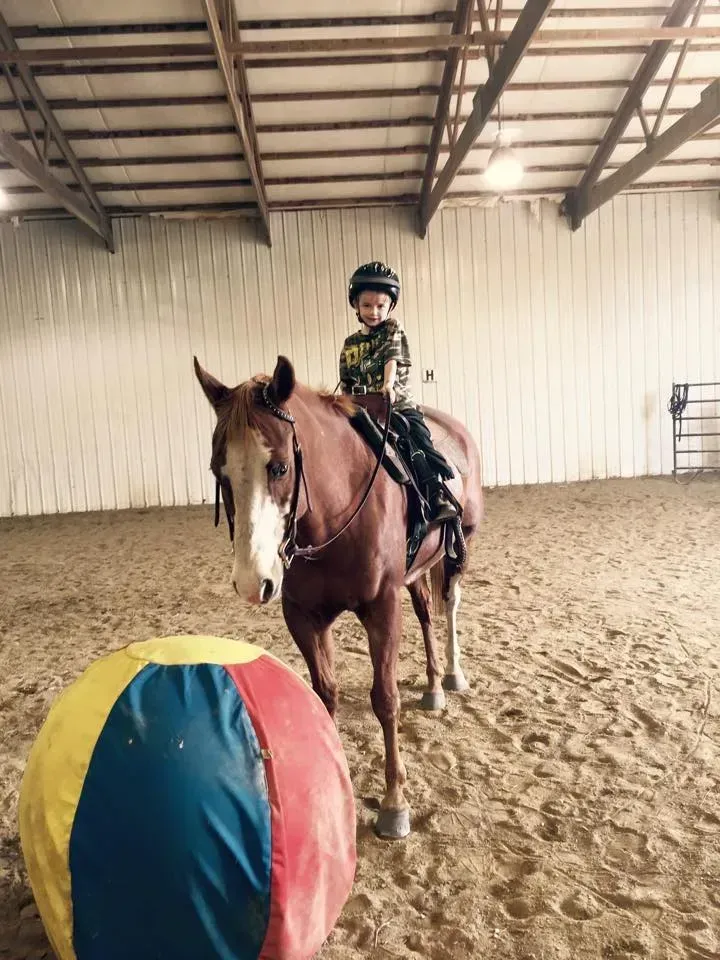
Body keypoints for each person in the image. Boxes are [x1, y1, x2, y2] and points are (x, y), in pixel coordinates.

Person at [339, 261, 458, 524]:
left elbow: (392, 358)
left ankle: (435, 494)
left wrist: (388, 385)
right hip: (360, 408)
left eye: (380, 305)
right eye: (367, 305)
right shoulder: (350, 344)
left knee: (414, 439)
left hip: (395, 404)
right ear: (356, 306)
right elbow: (345, 379)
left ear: (389, 306)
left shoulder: (393, 328)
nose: (374, 311)